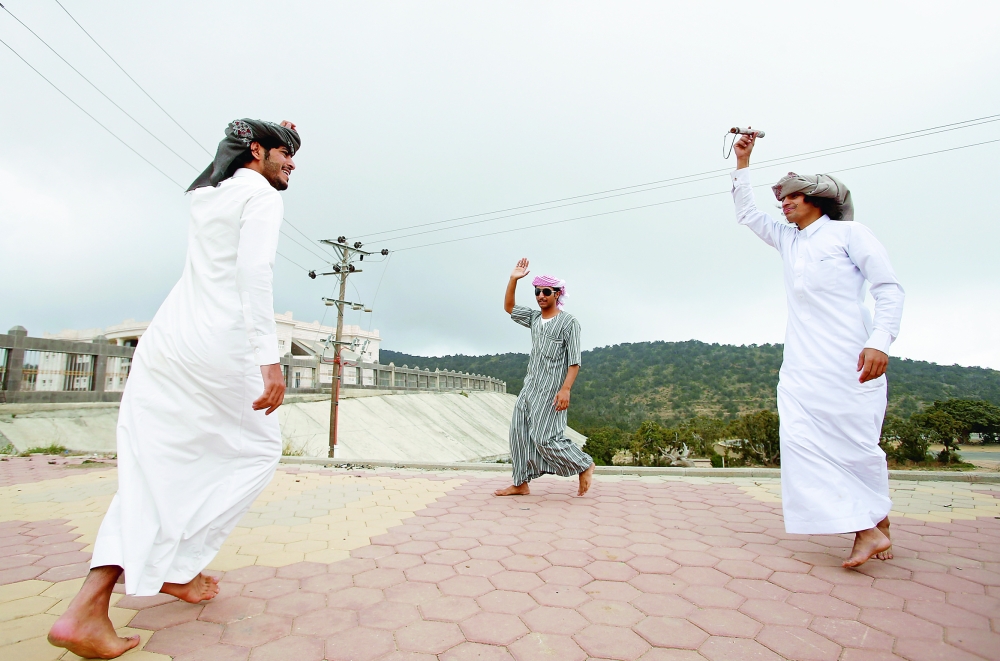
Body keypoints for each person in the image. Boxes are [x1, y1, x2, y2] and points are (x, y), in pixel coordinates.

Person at [48, 119, 300, 659]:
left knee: (158, 468)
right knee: (256, 451)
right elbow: (255, 275)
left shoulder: (209, 194)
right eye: (286, 154)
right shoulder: (260, 195)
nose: (293, 165)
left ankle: (109, 599)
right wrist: (270, 361)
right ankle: (171, 568)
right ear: (255, 152)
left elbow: (220, 166)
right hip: (218, 346)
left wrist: (268, 134)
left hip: (168, 343)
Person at [731, 131, 904, 568]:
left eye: (792, 197)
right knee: (800, 441)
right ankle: (865, 530)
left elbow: (889, 288)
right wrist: (743, 161)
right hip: (801, 366)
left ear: (817, 199)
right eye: (782, 200)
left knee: (858, 444)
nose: (784, 204)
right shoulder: (788, 240)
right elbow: (748, 213)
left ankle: (876, 523)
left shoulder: (850, 234)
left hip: (852, 358)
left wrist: (879, 341)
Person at [496, 258, 596, 498]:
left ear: (557, 294)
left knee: (544, 437)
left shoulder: (569, 322)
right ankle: (521, 482)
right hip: (530, 386)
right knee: (518, 433)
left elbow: (574, 361)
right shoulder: (533, 318)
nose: (541, 295)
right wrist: (513, 279)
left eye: (546, 292)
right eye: (538, 291)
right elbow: (509, 307)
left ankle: (583, 464)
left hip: (552, 390)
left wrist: (566, 389)